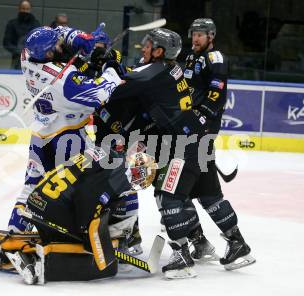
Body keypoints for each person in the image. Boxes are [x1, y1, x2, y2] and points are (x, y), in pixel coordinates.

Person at [92, 27, 209, 279]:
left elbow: (114, 89)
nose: (142, 48)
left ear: (159, 51)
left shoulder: (153, 72)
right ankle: (198, 242)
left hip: (185, 146)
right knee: (166, 192)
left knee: (168, 197)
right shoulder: (167, 68)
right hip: (183, 141)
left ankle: (183, 257)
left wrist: (107, 65)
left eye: (148, 45)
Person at [7, 26, 124, 239]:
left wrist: (78, 37)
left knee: (32, 185)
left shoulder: (27, 56)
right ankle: (79, 230)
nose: (62, 45)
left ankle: (14, 232)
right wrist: (112, 68)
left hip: (41, 134)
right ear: (50, 53)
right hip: (68, 138)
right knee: (83, 184)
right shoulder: (62, 82)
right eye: (58, 45)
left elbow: (57, 31)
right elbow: (99, 92)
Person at [0, 147, 157, 284]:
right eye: (142, 179)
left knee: (84, 224)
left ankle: (1, 248)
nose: (139, 183)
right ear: (138, 171)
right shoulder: (121, 175)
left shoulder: (106, 153)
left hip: (40, 199)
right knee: (80, 243)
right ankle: (29, 255)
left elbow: (84, 187)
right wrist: (85, 232)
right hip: (54, 208)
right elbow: (86, 197)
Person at [183, 18, 255, 270]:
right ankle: (212, 241)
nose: (196, 38)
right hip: (189, 131)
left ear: (211, 36)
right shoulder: (191, 57)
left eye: (201, 35)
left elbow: (215, 96)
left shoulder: (216, 59)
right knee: (202, 191)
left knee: (188, 191)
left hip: (200, 133)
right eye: (194, 34)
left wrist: (199, 120)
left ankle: (224, 242)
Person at [3, 0, 40, 69]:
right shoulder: (12, 24)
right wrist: (19, 52)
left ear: (30, 9)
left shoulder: (36, 24)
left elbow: (39, 42)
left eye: (27, 9)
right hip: (17, 59)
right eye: (23, 8)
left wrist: (31, 53)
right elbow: (7, 43)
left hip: (33, 60)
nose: (25, 11)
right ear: (19, 9)